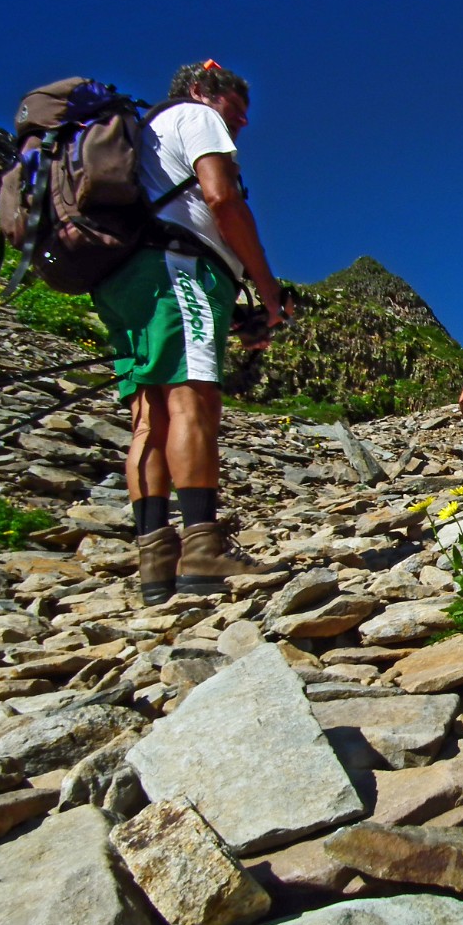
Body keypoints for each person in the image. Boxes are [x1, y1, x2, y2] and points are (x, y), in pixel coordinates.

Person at [92, 60, 292, 606]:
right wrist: (267, 291)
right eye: (239, 111)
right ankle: (203, 546)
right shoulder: (198, 117)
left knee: (148, 418)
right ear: (204, 91)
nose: (243, 124)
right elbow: (222, 199)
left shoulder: (148, 137)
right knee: (192, 401)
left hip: (129, 280)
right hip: (180, 269)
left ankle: (155, 559)